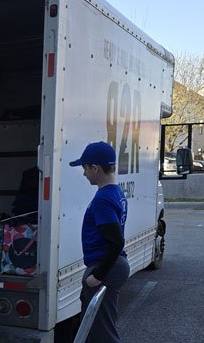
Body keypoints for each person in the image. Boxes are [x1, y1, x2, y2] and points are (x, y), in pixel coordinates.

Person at [69, 141, 130, 343]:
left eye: (85, 168)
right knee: (96, 330)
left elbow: (116, 241)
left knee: (101, 333)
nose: (84, 174)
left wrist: (98, 275)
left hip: (106, 267)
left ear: (95, 168)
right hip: (112, 265)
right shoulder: (115, 193)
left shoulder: (103, 199)